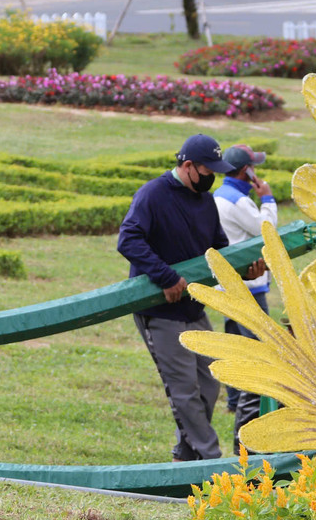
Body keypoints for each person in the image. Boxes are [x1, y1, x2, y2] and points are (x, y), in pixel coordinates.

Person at [117, 133, 265, 462]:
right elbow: (128, 240)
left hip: (193, 306)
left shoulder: (205, 201)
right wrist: (166, 277)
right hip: (159, 309)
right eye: (208, 170)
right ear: (188, 166)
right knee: (184, 390)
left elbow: (218, 251)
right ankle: (210, 462)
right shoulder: (153, 195)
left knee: (211, 382)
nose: (213, 176)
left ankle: (185, 456)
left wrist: (244, 271)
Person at [213, 144, 278, 442]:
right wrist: (267, 198)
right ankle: (246, 410)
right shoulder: (238, 200)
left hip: (229, 285)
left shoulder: (222, 195)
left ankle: (233, 400)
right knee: (255, 349)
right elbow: (267, 229)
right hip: (248, 286)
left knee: (234, 344)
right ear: (246, 171)